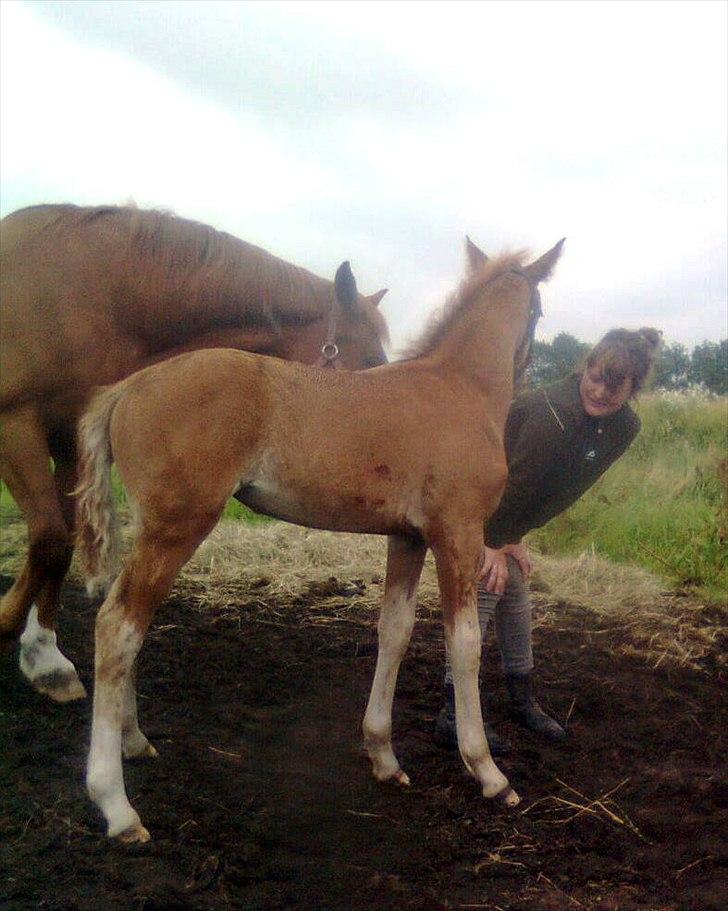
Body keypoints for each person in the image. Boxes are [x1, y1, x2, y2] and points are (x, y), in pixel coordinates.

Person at [435, 327, 662, 754]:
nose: (599, 392)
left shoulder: (624, 427)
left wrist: (513, 537)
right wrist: (492, 541)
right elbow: (510, 482)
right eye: (594, 377)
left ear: (632, 390)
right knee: (488, 583)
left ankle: (521, 698)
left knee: (516, 588)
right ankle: (453, 712)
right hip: (466, 497)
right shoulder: (549, 415)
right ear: (584, 368)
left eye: (614, 387)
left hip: (502, 514)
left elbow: (554, 486)